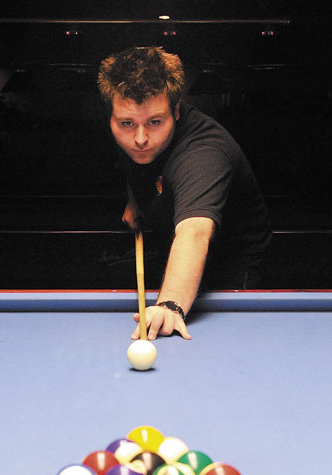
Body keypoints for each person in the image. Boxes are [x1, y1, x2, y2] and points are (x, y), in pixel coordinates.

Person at [97, 46, 271, 341]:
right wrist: (135, 199)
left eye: (155, 122)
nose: (140, 139)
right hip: (179, 259)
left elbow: (195, 231)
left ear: (176, 111)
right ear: (112, 116)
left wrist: (170, 305)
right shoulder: (136, 135)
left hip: (230, 273)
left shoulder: (204, 153)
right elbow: (133, 163)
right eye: (127, 123)